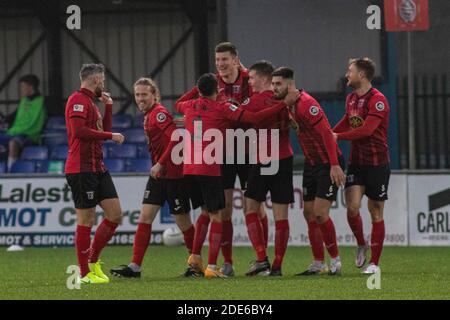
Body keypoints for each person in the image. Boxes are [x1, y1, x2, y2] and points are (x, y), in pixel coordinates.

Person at [175, 73, 297, 278]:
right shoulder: (222, 107)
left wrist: (198, 88)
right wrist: (283, 104)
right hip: (211, 166)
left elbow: (179, 102)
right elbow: (255, 118)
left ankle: (195, 258)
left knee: (206, 213)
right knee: (218, 216)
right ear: (218, 89)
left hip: (189, 169)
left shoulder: (188, 105)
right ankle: (213, 267)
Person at [110, 77, 197, 278]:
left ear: (154, 95)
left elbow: (178, 139)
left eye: (144, 95)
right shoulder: (149, 115)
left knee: (182, 221)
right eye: (137, 95)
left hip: (174, 175)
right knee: (145, 217)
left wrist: (160, 163)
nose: (140, 99)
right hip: (159, 176)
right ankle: (135, 266)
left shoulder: (158, 114)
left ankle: (196, 264)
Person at [271, 67, 346, 276]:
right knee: (308, 213)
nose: (274, 88)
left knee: (321, 213)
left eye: (278, 84)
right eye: (273, 84)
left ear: (289, 84)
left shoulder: (307, 105)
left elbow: (328, 135)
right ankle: (318, 263)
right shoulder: (286, 105)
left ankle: (336, 261)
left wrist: (334, 165)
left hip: (327, 163)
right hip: (312, 164)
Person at [65, 63, 125, 284]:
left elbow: (101, 130)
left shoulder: (91, 103)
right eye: (103, 80)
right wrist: (111, 136)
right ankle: (84, 273)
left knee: (115, 214)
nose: (104, 84)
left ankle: (93, 261)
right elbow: (79, 132)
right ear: (97, 80)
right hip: (81, 169)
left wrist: (108, 106)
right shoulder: (77, 100)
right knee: (86, 219)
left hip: (97, 168)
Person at [333, 57, 391, 275]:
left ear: (362, 75)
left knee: (376, 212)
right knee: (353, 207)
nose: (347, 74)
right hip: (356, 163)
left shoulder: (378, 100)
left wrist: (337, 136)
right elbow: (347, 121)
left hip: (377, 164)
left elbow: (367, 130)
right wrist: (329, 134)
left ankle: (374, 264)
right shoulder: (350, 99)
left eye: (350, 71)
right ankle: (361, 243)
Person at [241, 61, 294, 277]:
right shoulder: (283, 98)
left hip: (264, 159)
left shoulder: (256, 100)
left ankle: (262, 259)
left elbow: (242, 118)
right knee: (281, 216)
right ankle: (278, 265)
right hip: (285, 158)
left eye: (252, 78)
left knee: (250, 208)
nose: (250, 82)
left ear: (263, 79)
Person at [0, 74, 46, 171]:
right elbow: (11, 117)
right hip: (14, 132)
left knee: (13, 143)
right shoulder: (23, 101)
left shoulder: (44, 101)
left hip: (30, 135)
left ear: (31, 87)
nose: (21, 89)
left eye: (23, 86)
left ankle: (10, 171)